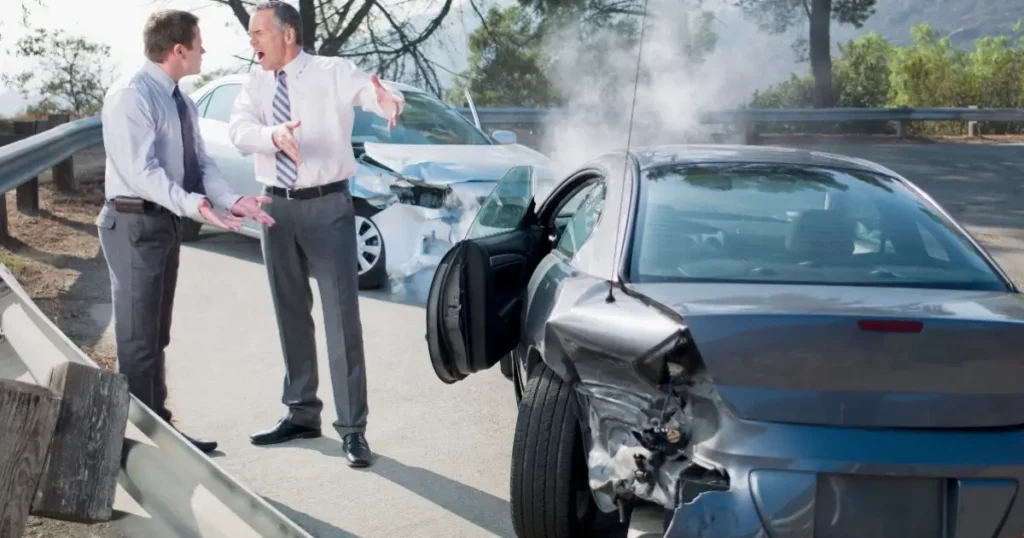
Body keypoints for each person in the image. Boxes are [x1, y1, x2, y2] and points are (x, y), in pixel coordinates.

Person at [227, 0, 403, 468]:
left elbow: (368, 91)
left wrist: (386, 100)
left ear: (287, 34)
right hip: (275, 208)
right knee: (290, 314)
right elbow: (239, 129)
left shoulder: (330, 71)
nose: (252, 42)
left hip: (328, 207)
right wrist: (273, 136)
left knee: (341, 320)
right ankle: (301, 413)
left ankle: (353, 430)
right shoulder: (254, 82)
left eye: (259, 33)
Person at [97, 9, 275, 454]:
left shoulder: (183, 101)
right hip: (134, 221)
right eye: (199, 44)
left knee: (157, 335)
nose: (204, 51)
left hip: (164, 221)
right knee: (137, 342)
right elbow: (142, 172)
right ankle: (132, 447)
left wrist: (230, 200)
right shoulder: (130, 97)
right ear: (178, 49)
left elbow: (200, 166)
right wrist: (194, 204)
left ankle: (157, 427)